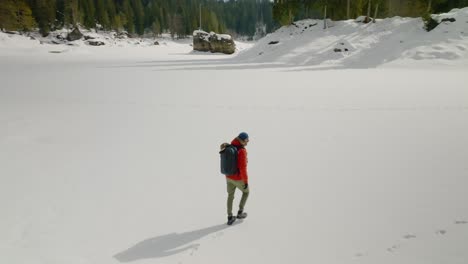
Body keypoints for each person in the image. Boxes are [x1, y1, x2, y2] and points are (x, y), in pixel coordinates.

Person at [225, 132, 250, 225]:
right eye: (247, 140)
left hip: (228, 177)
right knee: (246, 192)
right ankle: (240, 212)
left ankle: (230, 217)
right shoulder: (242, 151)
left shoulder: (229, 146)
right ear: (242, 141)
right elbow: (242, 168)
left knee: (230, 196)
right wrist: (245, 181)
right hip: (238, 178)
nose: (248, 142)